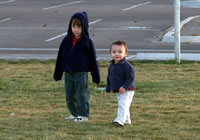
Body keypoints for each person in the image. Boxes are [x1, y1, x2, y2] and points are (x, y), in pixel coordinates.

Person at [53, 12, 100, 122]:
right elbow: (60, 57)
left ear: (84, 27)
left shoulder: (87, 42)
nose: (76, 29)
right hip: (68, 73)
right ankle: (74, 113)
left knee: (81, 95)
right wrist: (58, 73)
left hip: (81, 73)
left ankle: (83, 114)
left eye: (79, 26)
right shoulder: (66, 41)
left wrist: (96, 76)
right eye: (74, 26)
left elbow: (93, 60)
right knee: (69, 95)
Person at [104, 40, 135, 127]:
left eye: (120, 52)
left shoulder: (127, 66)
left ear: (125, 53)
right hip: (117, 90)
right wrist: (107, 89)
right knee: (124, 104)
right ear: (110, 53)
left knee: (123, 104)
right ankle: (126, 119)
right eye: (114, 52)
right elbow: (109, 78)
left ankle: (119, 120)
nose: (117, 54)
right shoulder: (111, 66)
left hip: (128, 89)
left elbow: (131, 78)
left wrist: (125, 87)